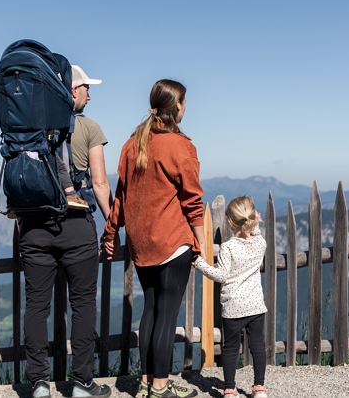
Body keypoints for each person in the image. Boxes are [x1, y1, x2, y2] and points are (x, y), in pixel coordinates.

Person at [102, 79, 204, 398]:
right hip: (172, 241)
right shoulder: (180, 146)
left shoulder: (132, 144)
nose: (186, 108)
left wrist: (110, 234)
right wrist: (200, 242)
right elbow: (193, 200)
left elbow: (121, 196)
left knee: (150, 310)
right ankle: (160, 387)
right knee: (167, 314)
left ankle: (147, 381)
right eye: (185, 103)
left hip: (141, 243)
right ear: (176, 107)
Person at [19, 65, 112, 398]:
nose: (90, 93)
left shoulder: (27, 126)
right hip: (75, 226)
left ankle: (39, 383)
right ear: (72, 92)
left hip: (34, 228)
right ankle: (82, 383)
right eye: (86, 87)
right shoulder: (89, 128)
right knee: (83, 304)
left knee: (36, 306)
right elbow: (100, 183)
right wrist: (112, 224)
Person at [194, 196, 268, 398]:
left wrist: (200, 263)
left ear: (229, 222)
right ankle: (259, 388)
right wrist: (256, 226)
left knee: (230, 348)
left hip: (233, 307)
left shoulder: (228, 247)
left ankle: (229, 389)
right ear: (252, 218)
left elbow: (221, 275)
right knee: (257, 346)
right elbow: (257, 234)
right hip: (255, 306)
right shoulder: (261, 244)